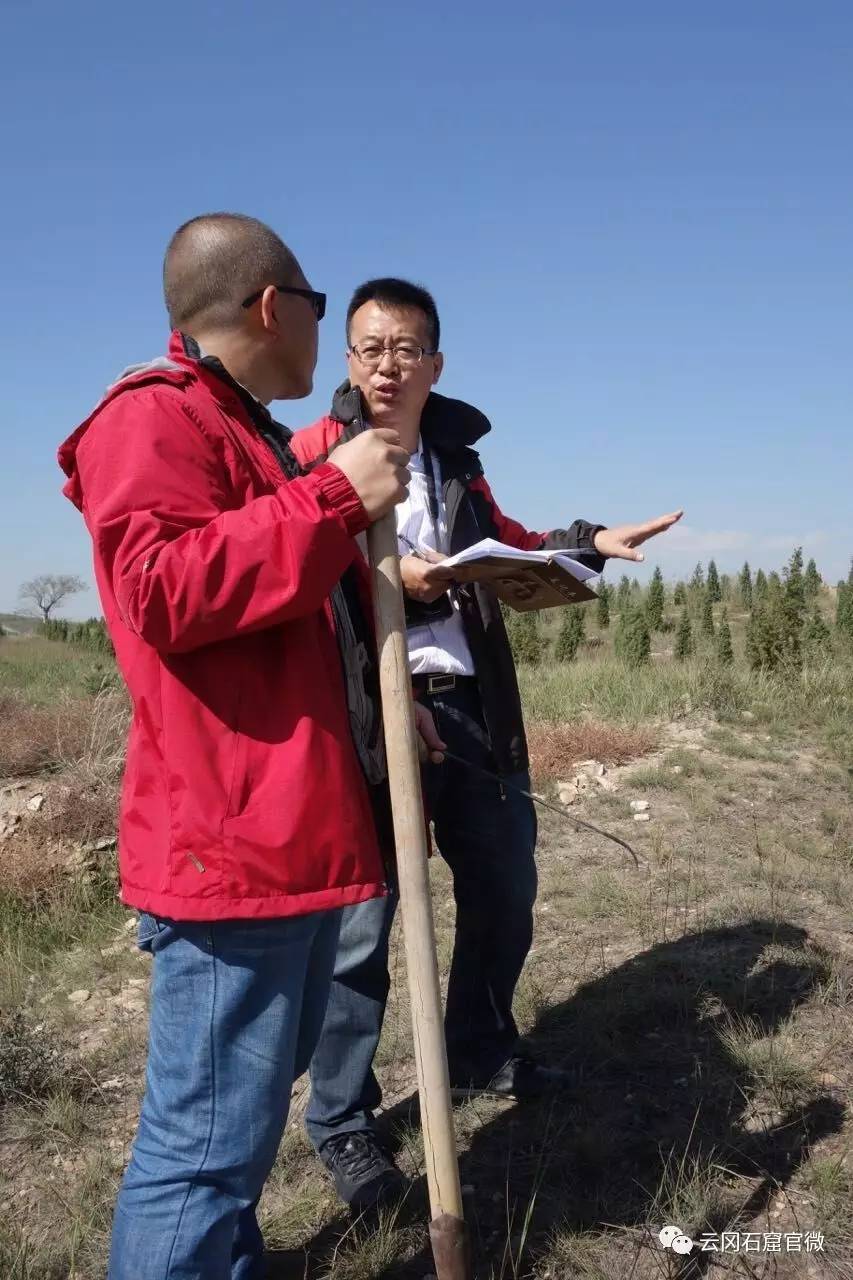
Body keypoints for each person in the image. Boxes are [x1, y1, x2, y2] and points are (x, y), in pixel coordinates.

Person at [57, 221, 444, 1280]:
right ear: (276, 306)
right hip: (230, 848)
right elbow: (161, 589)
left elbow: (274, 571)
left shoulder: (238, 429)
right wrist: (329, 496)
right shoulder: (152, 418)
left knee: (233, 1135)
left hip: (282, 834)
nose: (330, 331)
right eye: (322, 308)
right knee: (199, 1149)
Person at [291, 277, 683, 1211]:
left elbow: (502, 542)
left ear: (434, 361)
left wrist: (586, 541)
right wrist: (386, 571)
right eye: (368, 347)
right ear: (348, 360)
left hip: (469, 706)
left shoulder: (454, 457)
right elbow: (293, 555)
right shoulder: (313, 451)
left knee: (506, 887)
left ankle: (478, 1052)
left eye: (404, 347)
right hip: (367, 709)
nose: (386, 364)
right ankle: (343, 1123)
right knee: (362, 925)